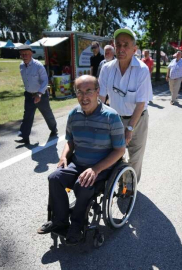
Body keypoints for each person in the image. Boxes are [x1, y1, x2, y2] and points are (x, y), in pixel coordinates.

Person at [36, 75, 125, 246]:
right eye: (79, 92)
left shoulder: (111, 117)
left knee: (82, 184)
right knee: (54, 178)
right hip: (77, 163)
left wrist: (96, 169)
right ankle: (60, 220)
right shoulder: (74, 114)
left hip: (101, 167)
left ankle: (77, 225)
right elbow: (70, 141)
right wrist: (63, 157)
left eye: (89, 91)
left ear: (97, 92)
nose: (84, 97)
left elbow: (119, 150)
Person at [99, 27, 152, 183]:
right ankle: (119, 181)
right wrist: (98, 118)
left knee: (135, 155)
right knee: (115, 153)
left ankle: (130, 187)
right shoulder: (107, 68)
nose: (121, 48)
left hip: (138, 119)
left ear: (134, 49)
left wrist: (130, 128)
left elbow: (141, 103)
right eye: (118, 44)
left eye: (126, 45)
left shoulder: (142, 70)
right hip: (114, 119)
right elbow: (101, 96)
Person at [15, 45, 57, 145]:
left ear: (31, 54)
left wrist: (39, 94)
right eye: (22, 54)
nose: (24, 56)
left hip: (40, 95)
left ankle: (54, 129)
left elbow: (45, 81)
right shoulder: (21, 66)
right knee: (27, 116)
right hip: (29, 95)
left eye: (26, 54)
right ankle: (25, 137)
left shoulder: (38, 66)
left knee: (47, 113)